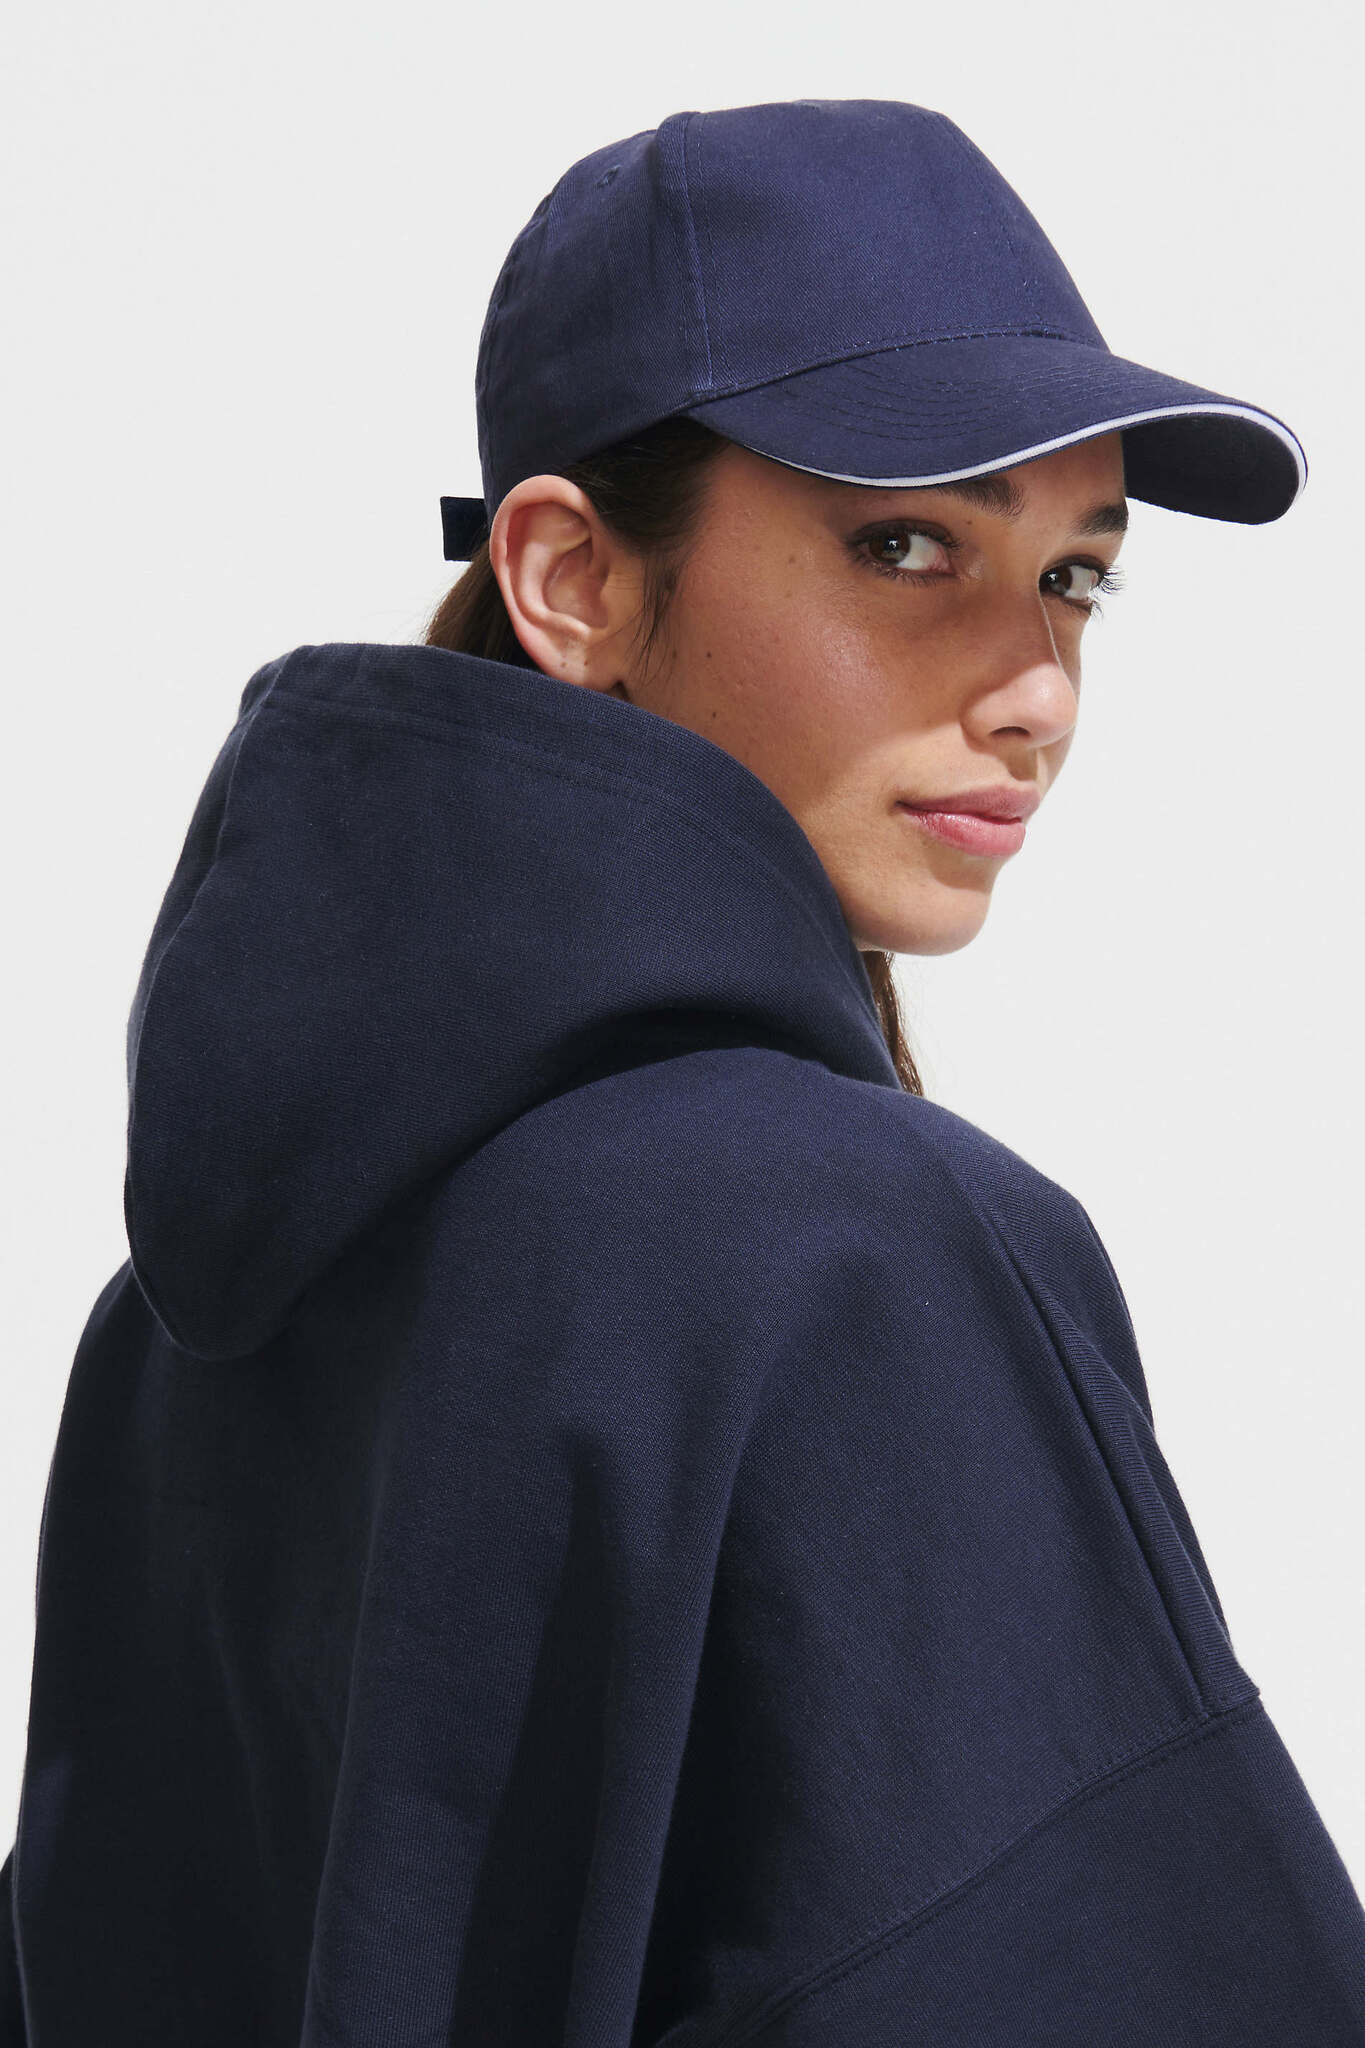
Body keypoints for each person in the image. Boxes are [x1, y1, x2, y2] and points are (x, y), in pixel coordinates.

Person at [3, 97, 1361, 2046]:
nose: (1034, 689)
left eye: (1075, 577)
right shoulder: (852, 1253)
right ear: (572, 580)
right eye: (906, 545)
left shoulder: (167, 1336)